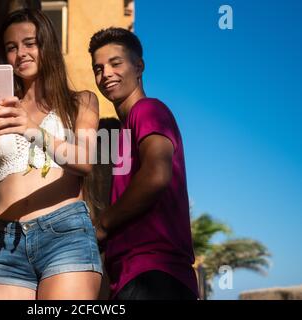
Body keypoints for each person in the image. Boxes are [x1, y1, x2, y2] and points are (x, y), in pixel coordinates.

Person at [0, 9, 102, 300]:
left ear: (46, 45)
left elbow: (85, 160)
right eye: (11, 48)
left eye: (30, 43)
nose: (21, 53)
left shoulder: (81, 101)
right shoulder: (1, 108)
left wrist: (31, 129)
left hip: (65, 234)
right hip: (5, 241)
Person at [88, 27, 199, 300]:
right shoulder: (125, 130)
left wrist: (103, 224)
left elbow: (156, 175)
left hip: (155, 273)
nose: (106, 74)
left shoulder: (148, 110)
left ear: (139, 67)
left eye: (116, 63)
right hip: (132, 275)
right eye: (98, 68)